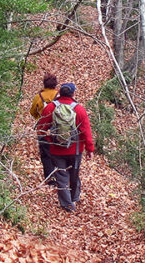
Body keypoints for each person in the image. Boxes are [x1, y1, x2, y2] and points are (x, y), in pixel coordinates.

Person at [37, 82, 95, 212]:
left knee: (61, 176)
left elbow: (41, 129)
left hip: (56, 149)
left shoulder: (50, 108)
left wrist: (49, 140)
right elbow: (86, 131)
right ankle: (74, 197)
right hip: (75, 150)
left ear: (60, 93)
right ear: (73, 94)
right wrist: (90, 149)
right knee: (74, 174)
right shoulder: (79, 109)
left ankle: (67, 204)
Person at [29, 73, 60, 184]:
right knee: (57, 151)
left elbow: (32, 111)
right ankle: (59, 175)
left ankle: (49, 178)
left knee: (45, 153)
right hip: (57, 128)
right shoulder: (59, 95)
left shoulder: (39, 96)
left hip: (42, 128)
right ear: (55, 83)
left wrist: (40, 117)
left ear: (44, 83)